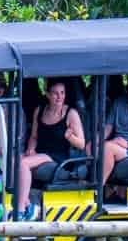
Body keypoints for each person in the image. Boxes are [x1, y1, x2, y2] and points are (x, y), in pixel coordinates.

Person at [16, 79, 86, 219]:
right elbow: (34, 136)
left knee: (23, 164)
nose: (59, 97)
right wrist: (31, 149)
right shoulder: (40, 110)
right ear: (47, 94)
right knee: (14, 161)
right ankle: (28, 203)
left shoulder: (71, 113)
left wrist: (70, 137)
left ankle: (20, 210)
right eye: (55, 93)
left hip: (59, 158)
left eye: (62, 93)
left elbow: (82, 144)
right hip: (41, 153)